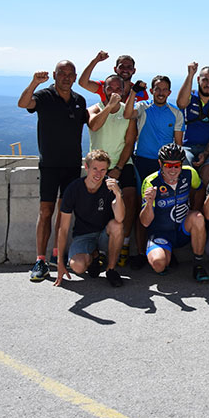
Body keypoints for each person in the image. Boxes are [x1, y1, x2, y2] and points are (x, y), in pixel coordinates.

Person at [17, 61, 88, 282]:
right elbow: (23, 104)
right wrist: (34, 82)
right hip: (49, 164)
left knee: (64, 213)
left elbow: (93, 122)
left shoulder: (79, 101)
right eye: (62, 73)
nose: (66, 77)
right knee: (46, 212)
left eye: (70, 74)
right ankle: (40, 260)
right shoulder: (45, 95)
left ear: (75, 77)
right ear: (55, 75)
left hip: (72, 164)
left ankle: (57, 256)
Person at [125, 74, 185, 263]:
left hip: (167, 166)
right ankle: (142, 253)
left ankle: (167, 250)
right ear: (151, 91)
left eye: (164, 89)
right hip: (143, 161)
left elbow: (178, 144)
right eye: (157, 89)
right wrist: (134, 93)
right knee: (143, 205)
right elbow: (127, 114)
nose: (160, 93)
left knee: (168, 208)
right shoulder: (143, 107)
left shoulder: (176, 113)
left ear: (169, 92)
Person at [54, 150, 125, 288]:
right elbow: (63, 228)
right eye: (95, 169)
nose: (98, 174)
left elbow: (120, 218)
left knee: (117, 226)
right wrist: (60, 262)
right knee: (78, 267)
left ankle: (110, 269)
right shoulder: (73, 189)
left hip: (105, 234)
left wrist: (118, 194)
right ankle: (94, 256)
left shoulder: (111, 186)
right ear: (86, 168)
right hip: (83, 235)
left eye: (103, 170)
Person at [87, 74, 138, 267]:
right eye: (110, 88)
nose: (114, 91)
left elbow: (129, 142)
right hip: (97, 165)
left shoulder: (129, 113)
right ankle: (96, 249)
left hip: (121, 164)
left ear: (124, 91)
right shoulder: (95, 108)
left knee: (130, 196)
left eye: (118, 88)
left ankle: (124, 241)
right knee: (94, 204)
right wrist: (109, 107)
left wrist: (118, 167)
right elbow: (93, 125)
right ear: (104, 90)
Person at [139, 143, 209, 282]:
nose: (172, 170)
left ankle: (198, 265)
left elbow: (200, 189)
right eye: (168, 165)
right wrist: (148, 202)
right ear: (160, 163)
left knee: (198, 217)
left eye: (176, 165)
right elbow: (145, 222)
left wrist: (195, 209)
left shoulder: (189, 173)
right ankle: (166, 255)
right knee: (159, 265)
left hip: (182, 230)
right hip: (161, 233)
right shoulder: (151, 182)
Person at [176, 62, 209, 204]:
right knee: (187, 173)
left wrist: (205, 154)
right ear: (198, 80)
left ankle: (200, 215)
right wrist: (190, 75)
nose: (208, 84)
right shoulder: (190, 96)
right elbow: (181, 103)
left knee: (208, 174)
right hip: (187, 147)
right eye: (205, 80)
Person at [79, 50, 149, 103]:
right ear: (115, 69)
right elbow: (83, 83)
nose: (125, 70)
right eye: (122, 67)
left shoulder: (140, 92)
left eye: (129, 67)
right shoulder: (105, 87)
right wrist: (96, 60)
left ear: (134, 71)